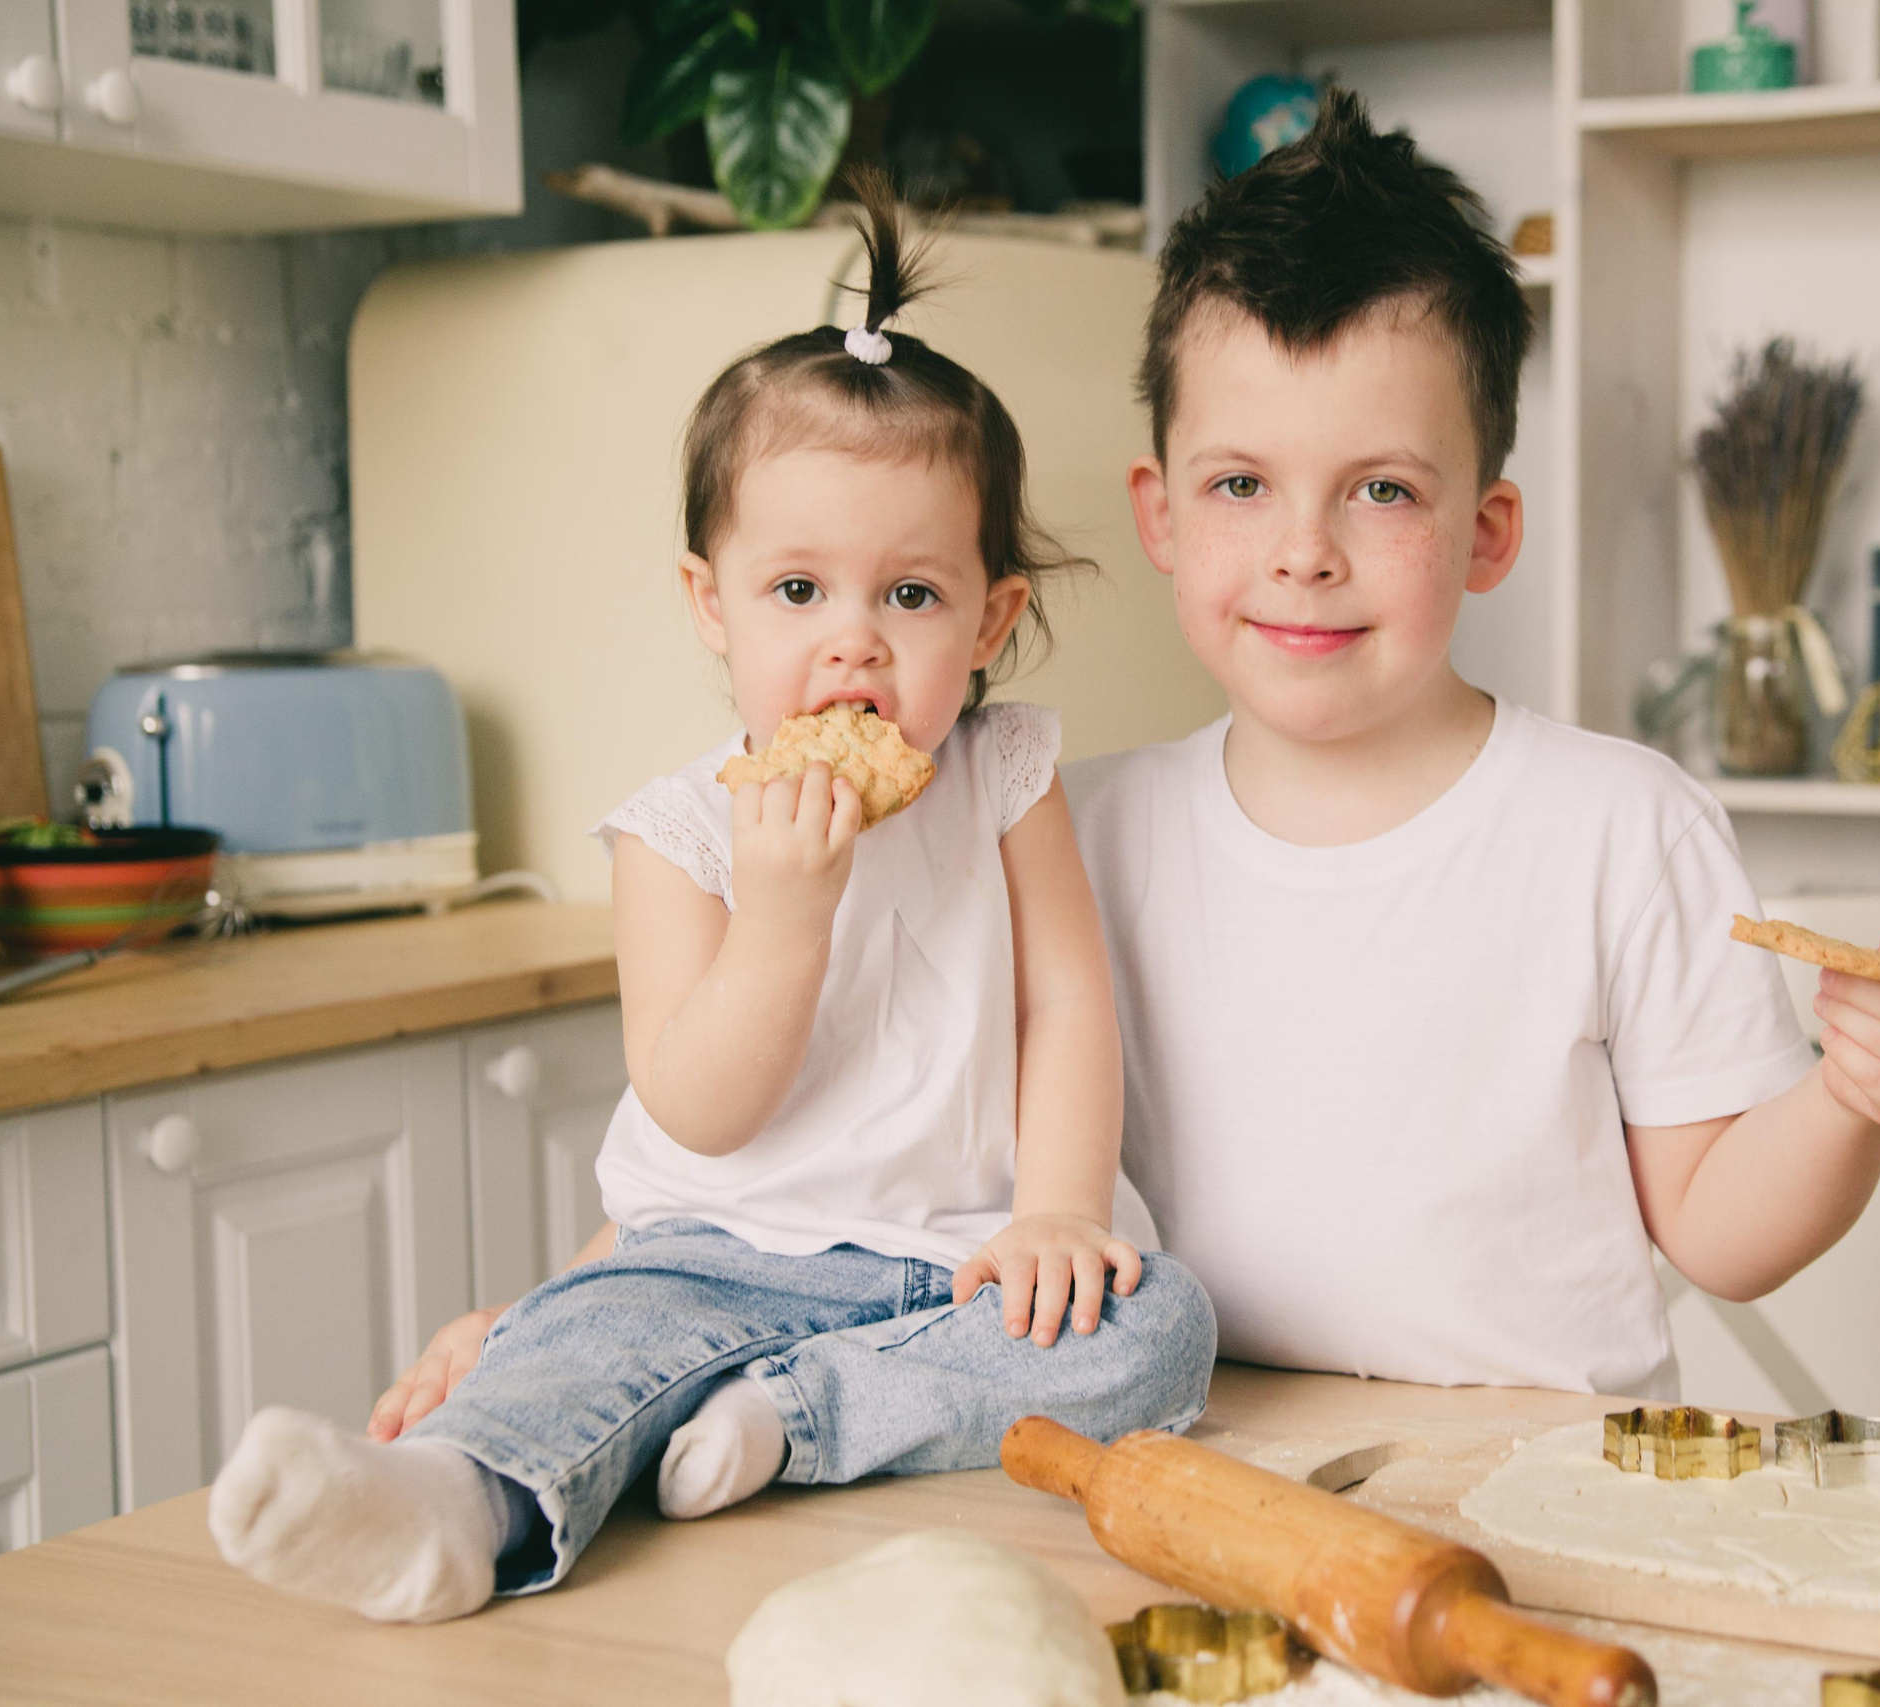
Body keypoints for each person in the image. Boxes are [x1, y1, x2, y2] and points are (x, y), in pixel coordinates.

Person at [205, 184, 1215, 1624]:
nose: (853, 643)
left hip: (955, 1265)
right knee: (600, 1335)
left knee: (1162, 1324)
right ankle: (451, 1500)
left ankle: (793, 1420)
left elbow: (1064, 1002)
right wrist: (784, 919)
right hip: (715, 1255)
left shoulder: (1004, 775)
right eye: (797, 590)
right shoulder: (678, 834)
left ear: (991, 617)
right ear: (710, 603)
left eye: (912, 597)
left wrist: (1057, 1210)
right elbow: (696, 1111)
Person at [1063, 89, 1880, 1399]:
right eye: (1241, 484)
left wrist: (1856, 1096)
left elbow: (1722, 1237)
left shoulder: (1622, 828)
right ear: (1160, 514)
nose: (1303, 552)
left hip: (1541, 1474)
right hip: (1205, 1464)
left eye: (1382, 489)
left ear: (1488, 532)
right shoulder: (1074, 835)